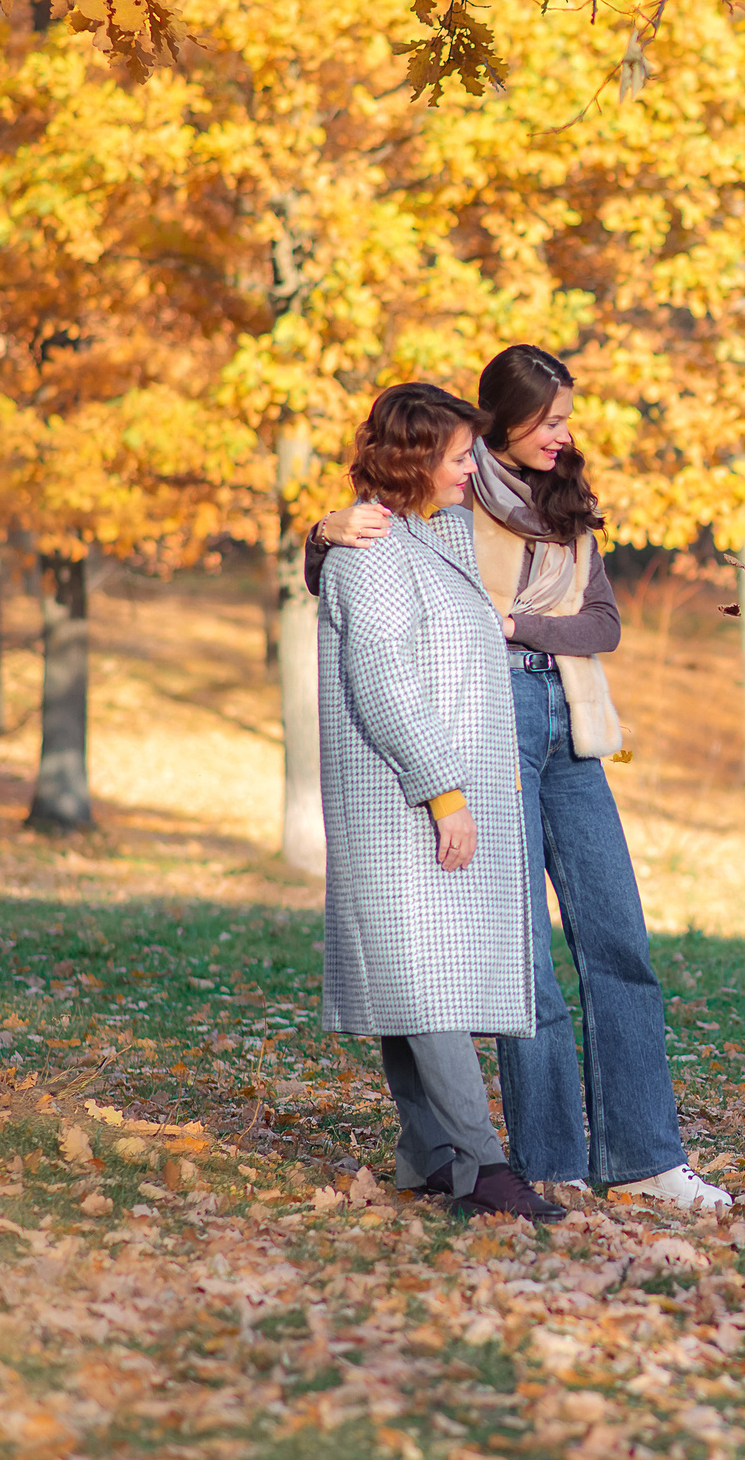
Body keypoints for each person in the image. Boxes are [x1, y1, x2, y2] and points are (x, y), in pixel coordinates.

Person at [310, 347, 728, 1210]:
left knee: (618, 938)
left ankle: (646, 1155)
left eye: (567, 419)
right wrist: (319, 531)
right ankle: (547, 1159)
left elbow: (603, 623)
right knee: (521, 956)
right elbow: (363, 573)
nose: (566, 436)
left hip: (568, 721)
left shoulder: (563, 499)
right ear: (498, 426)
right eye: (550, 422)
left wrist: (524, 623)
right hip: (486, 724)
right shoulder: (453, 502)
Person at [316, 382, 563, 1223]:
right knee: (425, 986)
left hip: (432, 795)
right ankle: (483, 1167)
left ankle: (426, 1157)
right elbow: (382, 685)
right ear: (417, 459)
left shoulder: (438, 531)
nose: (472, 467)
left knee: (414, 980)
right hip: (403, 798)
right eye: (459, 454)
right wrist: (443, 793)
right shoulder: (374, 548)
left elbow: (515, 480)